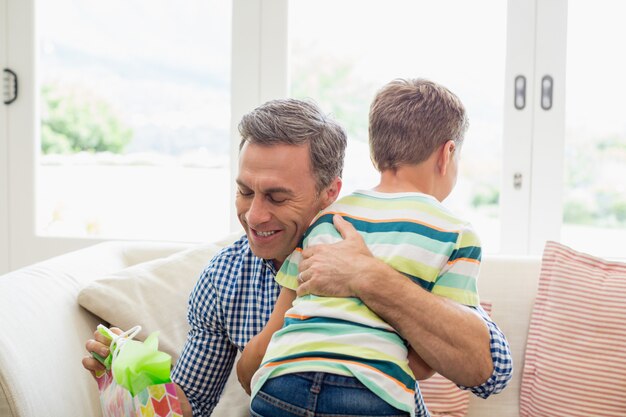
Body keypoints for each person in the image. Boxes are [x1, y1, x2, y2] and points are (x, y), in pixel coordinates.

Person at [83, 97, 513, 417]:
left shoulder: (393, 243)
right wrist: (134, 379)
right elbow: (190, 408)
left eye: (276, 196)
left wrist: (370, 277)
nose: (253, 215)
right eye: (245, 191)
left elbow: (491, 372)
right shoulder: (225, 276)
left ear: (330, 193)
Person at [237, 78, 492, 416]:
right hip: (368, 396)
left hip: (281, 382)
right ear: (446, 155)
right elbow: (424, 364)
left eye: (277, 196)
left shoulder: (330, 219)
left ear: (374, 154)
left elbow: (276, 331)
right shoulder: (455, 234)